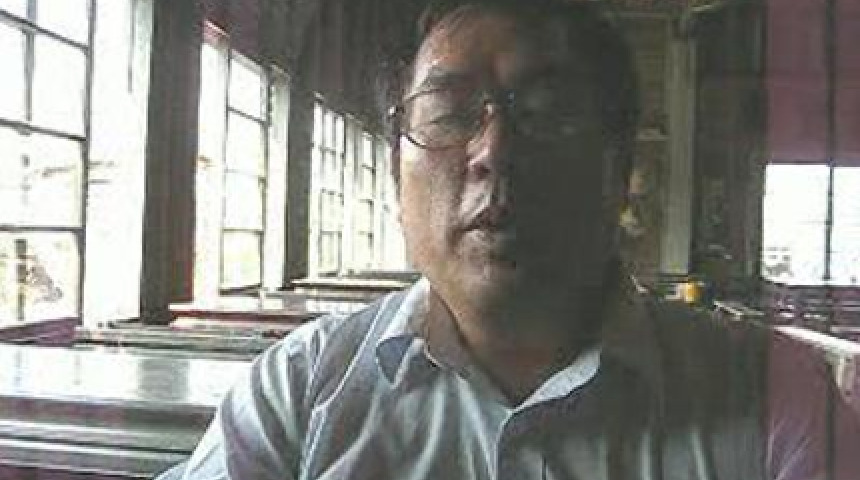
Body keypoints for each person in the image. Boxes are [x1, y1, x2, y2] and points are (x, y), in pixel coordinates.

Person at [178, 1, 860, 479]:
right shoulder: (298, 395)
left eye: (548, 112)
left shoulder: (777, 405)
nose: (494, 151)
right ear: (392, 173)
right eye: (449, 114)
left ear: (619, 171)